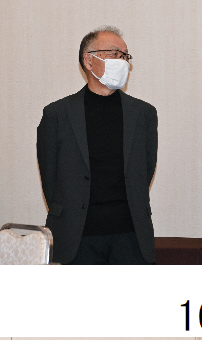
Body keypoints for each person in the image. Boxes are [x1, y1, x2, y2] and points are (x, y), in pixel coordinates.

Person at [36, 26, 158, 264]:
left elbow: (146, 170)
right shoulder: (57, 114)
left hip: (130, 235)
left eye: (125, 55)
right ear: (89, 60)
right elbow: (50, 179)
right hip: (76, 237)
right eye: (114, 54)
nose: (122, 61)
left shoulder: (144, 113)